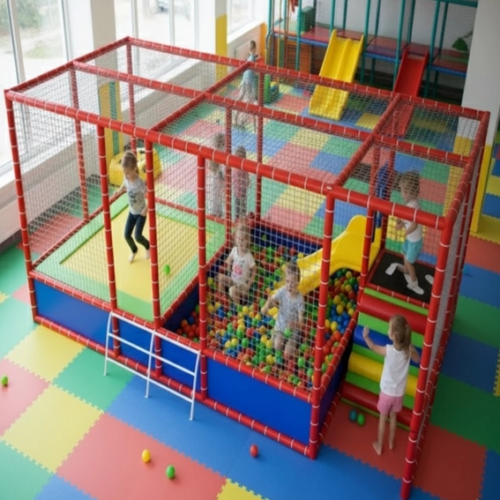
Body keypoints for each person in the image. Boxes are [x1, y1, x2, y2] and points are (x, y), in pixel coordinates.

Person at [362, 315, 420, 455]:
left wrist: (366, 336)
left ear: (393, 336)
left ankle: (379, 445)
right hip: (399, 394)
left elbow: (373, 347)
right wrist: (410, 345)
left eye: (389, 329)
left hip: (386, 393)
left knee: (383, 418)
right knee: (393, 417)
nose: (388, 330)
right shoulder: (407, 351)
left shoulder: (388, 350)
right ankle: (391, 442)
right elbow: (417, 359)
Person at [385, 171, 424, 295]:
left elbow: (414, 224)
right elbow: (406, 220)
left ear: (408, 193)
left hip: (415, 242)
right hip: (410, 239)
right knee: (404, 252)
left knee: (409, 262)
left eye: (402, 191)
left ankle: (414, 281)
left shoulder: (414, 206)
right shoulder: (409, 204)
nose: (401, 193)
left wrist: (405, 232)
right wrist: (400, 224)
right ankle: (406, 270)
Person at [261, 261, 304, 361]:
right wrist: (266, 306)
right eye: (287, 281)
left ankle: (295, 344)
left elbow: (302, 322)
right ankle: (275, 336)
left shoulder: (300, 299)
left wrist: (295, 324)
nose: (289, 285)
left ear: (298, 283)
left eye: (292, 282)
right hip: (280, 327)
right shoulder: (282, 290)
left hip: (293, 332)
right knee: (277, 345)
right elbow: (272, 300)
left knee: (287, 354)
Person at [116, 151, 150, 263]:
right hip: (132, 212)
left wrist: (146, 209)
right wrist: (119, 190)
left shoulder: (139, 183)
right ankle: (134, 250)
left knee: (137, 236)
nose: (126, 176)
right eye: (124, 173)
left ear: (134, 169)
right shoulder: (126, 178)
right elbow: (124, 183)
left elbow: (150, 196)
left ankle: (148, 246)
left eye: (128, 173)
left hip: (141, 213)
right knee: (126, 235)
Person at [218, 222, 256, 304]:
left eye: (242, 240)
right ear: (235, 238)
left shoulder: (248, 257)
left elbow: (254, 271)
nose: (240, 242)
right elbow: (228, 260)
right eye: (238, 238)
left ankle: (237, 306)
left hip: (242, 286)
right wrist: (227, 266)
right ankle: (223, 299)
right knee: (220, 277)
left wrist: (248, 285)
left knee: (232, 290)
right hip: (232, 281)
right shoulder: (234, 250)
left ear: (247, 241)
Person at [234, 40, 258, 128]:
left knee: (241, 98)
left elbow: (246, 72)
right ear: (255, 48)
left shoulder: (248, 58)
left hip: (245, 81)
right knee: (248, 103)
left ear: (249, 49)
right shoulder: (252, 59)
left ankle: (236, 117)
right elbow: (251, 74)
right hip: (249, 83)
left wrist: (241, 82)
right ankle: (242, 120)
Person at [208, 132, 225, 217]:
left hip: (217, 176)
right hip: (217, 177)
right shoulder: (217, 151)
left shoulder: (219, 150)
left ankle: (217, 211)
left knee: (217, 195)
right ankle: (215, 212)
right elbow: (213, 167)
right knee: (216, 195)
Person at [233, 146, 250, 220]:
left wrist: (247, 181)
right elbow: (233, 176)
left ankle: (242, 218)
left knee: (242, 206)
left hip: (242, 191)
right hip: (236, 190)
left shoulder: (244, 166)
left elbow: (247, 175)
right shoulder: (235, 165)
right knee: (237, 205)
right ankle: (237, 218)